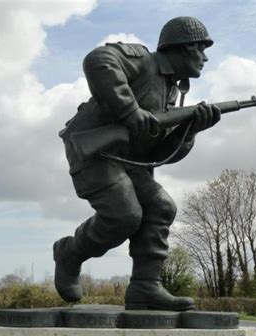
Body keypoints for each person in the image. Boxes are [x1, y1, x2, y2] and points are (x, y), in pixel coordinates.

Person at [54, 16, 221, 311]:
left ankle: (145, 287)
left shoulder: (172, 92)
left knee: (161, 206)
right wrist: (130, 109)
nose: (205, 57)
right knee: (124, 215)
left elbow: (160, 153)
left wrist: (189, 130)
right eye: (201, 48)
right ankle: (70, 252)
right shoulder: (143, 61)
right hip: (96, 153)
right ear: (182, 47)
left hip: (130, 161)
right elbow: (98, 60)